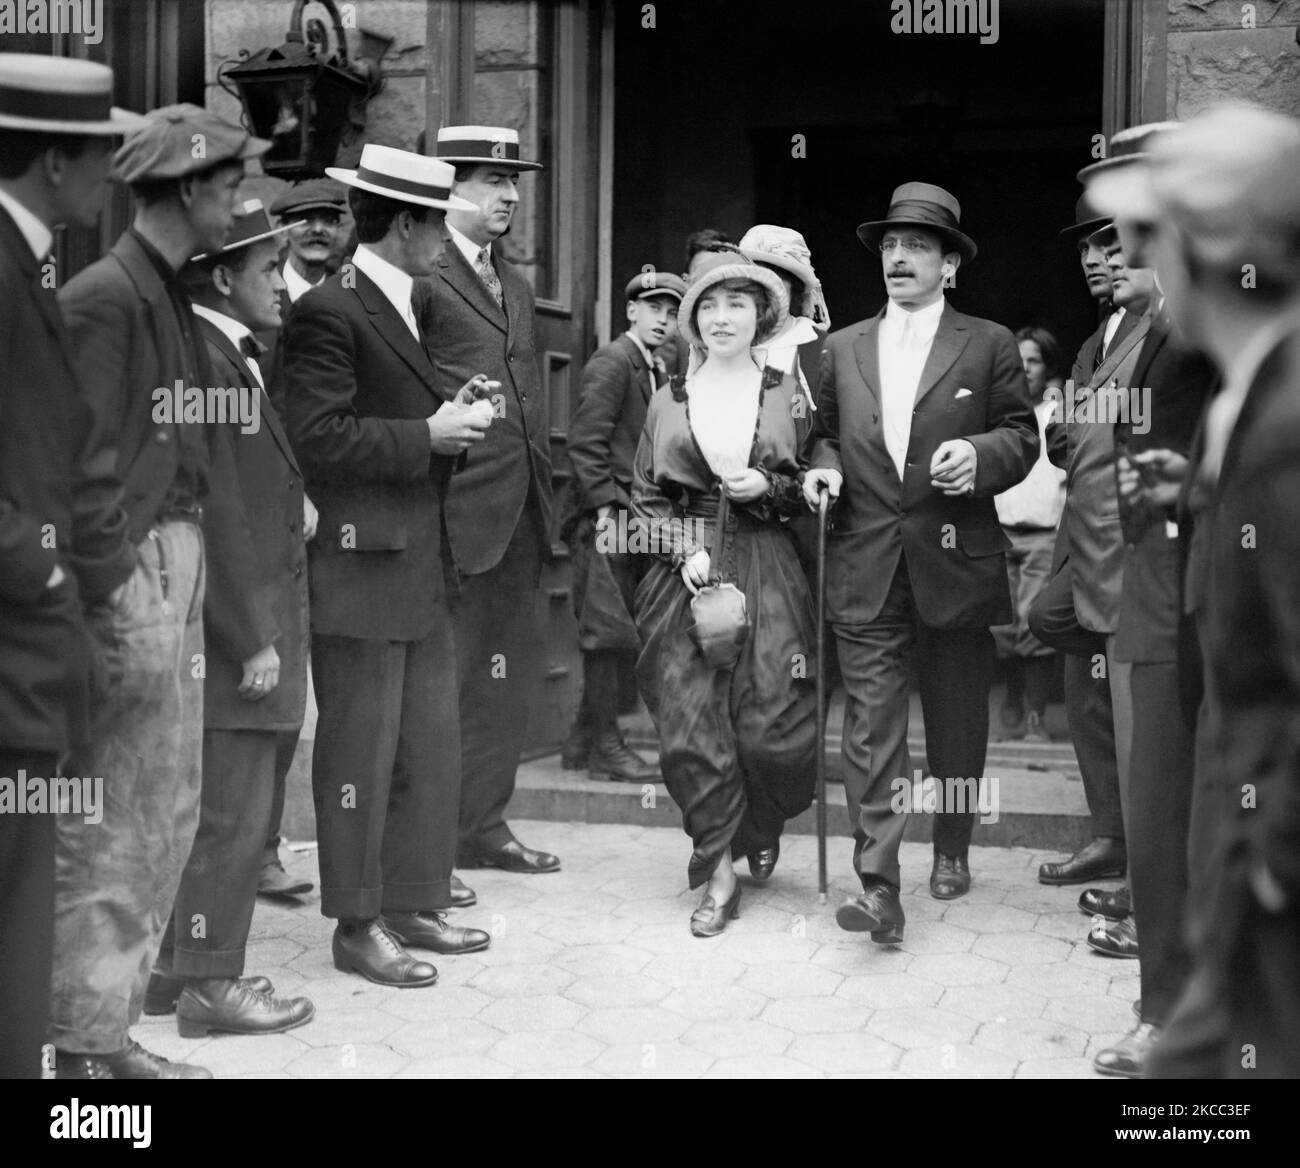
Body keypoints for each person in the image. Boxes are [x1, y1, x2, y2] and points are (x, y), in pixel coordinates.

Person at [50, 102, 267, 1081]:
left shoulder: (165, 297)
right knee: (116, 816)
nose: (240, 200)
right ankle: (84, 1050)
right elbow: (74, 466)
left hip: (175, 567)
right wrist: (116, 594)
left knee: (166, 807)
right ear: (185, 188)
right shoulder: (106, 298)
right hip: (132, 574)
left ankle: (107, 1030)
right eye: (227, 184)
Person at [805, 182, 1037, 943]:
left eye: (918, 246)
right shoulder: (838, 348)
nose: (899, 257)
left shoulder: (989, 342)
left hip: (954, 560)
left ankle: (954, 845)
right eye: (890, 246)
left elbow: (1020, 435)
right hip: (865, 559)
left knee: (956, 722)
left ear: (950, 265)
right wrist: (825, 468)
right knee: (869, 729)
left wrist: (979, 453)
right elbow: (824, 436)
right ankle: (878, 886)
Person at [283, 144, 492, 987]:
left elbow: (390, 425)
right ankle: (356, 923)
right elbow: (316, 438)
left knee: (424, 745)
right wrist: (428, 435)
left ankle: (409, 900)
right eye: (438, 221)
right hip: (360, 568)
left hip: (414, 563)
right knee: (360, 757)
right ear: (405, 224)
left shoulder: (403, 302)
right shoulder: (331, 311)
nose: (449, 236)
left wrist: (451, 424)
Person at [1135, 106, 1300, 1079]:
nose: (1144, 261)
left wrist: (1271, 859)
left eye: (1154, 236)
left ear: (1210, 249)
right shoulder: (1258, 383)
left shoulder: (1285, 422)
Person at [139, 201, 317, 1037]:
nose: (282, 286)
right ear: (221, 277)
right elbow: (214, 509)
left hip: (246, 620)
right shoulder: (211, 361)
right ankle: (214, 986)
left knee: (219, 807)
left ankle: (179, 967)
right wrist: (252, 639)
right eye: (267, 271)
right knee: (234, 815)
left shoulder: (223, 356)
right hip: (241, 631)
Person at [0, 53, 140, 1080]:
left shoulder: (26, 255)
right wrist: (39, 571)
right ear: (56, 162)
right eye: (98, 157)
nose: (109, 178)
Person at [1075, 129, 1219, 1077]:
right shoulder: (1136, 316)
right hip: (1156, 592)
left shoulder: (1240, 298)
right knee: (1161, 810)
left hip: (1239, 582)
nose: (1121, 235)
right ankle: (1166, 1009)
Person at [634, 250, 817, 936]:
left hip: (770, 563)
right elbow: (643, 498)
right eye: (707, 306)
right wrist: (683, 548)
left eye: (736, 303)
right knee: (690, 726)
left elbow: (815, 478)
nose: (721, 317)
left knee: (776, 729)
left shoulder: (786, 391)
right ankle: (717, 871)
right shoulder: (666, 398)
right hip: (685, 574)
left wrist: (769, 487)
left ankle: (763, 818)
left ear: (762, 314)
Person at [415, 125, 559, 879]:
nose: (507, 195)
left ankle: (484, 825)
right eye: (488, 180)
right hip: (455, 516)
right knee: (450, 684)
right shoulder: (421, 277)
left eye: (512, 181)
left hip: (522, 515)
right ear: (446, 188)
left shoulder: (517, 283)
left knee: (506, 679)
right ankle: (430, 846)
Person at [1029, 185, 1145, 910]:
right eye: (1085, 249)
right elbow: (1059, 437)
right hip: (1085, 545)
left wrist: (1091, 428)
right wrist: (1091, 427)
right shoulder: (1093, 340)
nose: (1096, 260)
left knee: (1140, 703)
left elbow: (1129, 430)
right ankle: (1112, 834)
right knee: (1085, 681)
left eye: (1111, 244)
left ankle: (1149, 869)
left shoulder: (1164, 329)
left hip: (1135, 550)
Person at [561, 270, 686, 781]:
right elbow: (585, 440)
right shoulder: (613, 361)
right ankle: (606, 749)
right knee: (607, 631)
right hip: (606, 517)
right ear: (630, 311)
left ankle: (580, 741)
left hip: (634, 517)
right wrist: (606, 511)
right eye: (652, 307)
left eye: (672, 311)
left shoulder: (660, 364)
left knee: (616, 626)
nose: (663, 318)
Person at [992, 326, 1066, 742]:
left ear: (1048, 367)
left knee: (1033, 623)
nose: (1025, 370)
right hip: (1002, 533)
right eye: (1018, 362)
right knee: (1003, 626)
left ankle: (1036, 712)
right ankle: (1012, 699)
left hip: (1042, 535)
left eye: (1034, 361)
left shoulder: (1058, 412)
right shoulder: (1002, 412)